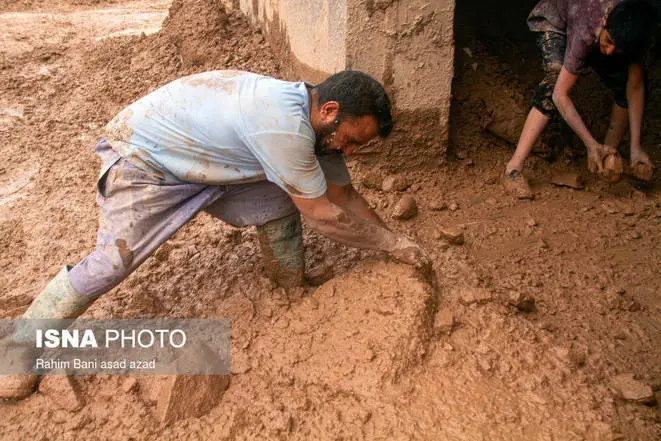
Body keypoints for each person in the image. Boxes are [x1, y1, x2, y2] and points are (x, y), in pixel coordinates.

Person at [0, 69, 430, 399]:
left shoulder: (316, 124)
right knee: (113, 262)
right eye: (351, 141)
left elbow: (344, 195)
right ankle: (18, 351)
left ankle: (289, 286)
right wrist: (392, 245)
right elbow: (323, 215)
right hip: (145, 157)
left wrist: (396, 242)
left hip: (203, 156)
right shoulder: (283, 126)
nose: (349, 152)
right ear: (331, 111)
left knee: (286, 195)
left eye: (358, 147)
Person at [503, 0, 660, 199]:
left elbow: (635, 87)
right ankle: (513, 168)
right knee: (554, 80)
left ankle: (606, 156)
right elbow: (560, 95)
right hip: (556, 20)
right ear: (605, 20)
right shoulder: (587, 22)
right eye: (609, 41)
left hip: (597, 32)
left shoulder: (634, 29)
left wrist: (635, 148)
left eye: (618, 48)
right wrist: (589, 143)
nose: (609, 51)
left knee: (623, 84)